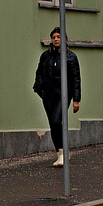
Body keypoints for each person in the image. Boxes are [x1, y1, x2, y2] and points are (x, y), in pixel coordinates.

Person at [33, 27, 81, 167]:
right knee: (52, 125)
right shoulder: (45, 56)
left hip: (63, 95)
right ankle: (60, 154)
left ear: (64, 39)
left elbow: (76, 79)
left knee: (56, 121)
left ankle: (64, 153)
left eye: (58, 37)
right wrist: (40, 88)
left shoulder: (70, 57)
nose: (56, 39)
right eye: (54, 37)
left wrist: (76, 100)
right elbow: (39, 73)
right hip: (47, 95)